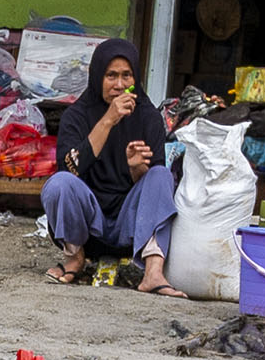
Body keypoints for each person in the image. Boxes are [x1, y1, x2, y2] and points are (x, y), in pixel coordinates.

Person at [42, 39, 181, 290]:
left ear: (136, 78)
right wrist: (108, 120)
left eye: (126, 75)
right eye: (111, 76)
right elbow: (70, 168)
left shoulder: (148, 116)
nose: (120, 85)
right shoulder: (76, 115)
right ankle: (75, 258)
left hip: (130, 229)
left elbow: (153, 189)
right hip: (87, 227)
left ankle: (152, 272)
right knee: (59, 183)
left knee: (161, 175)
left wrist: (137, 169)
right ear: (97, 78)